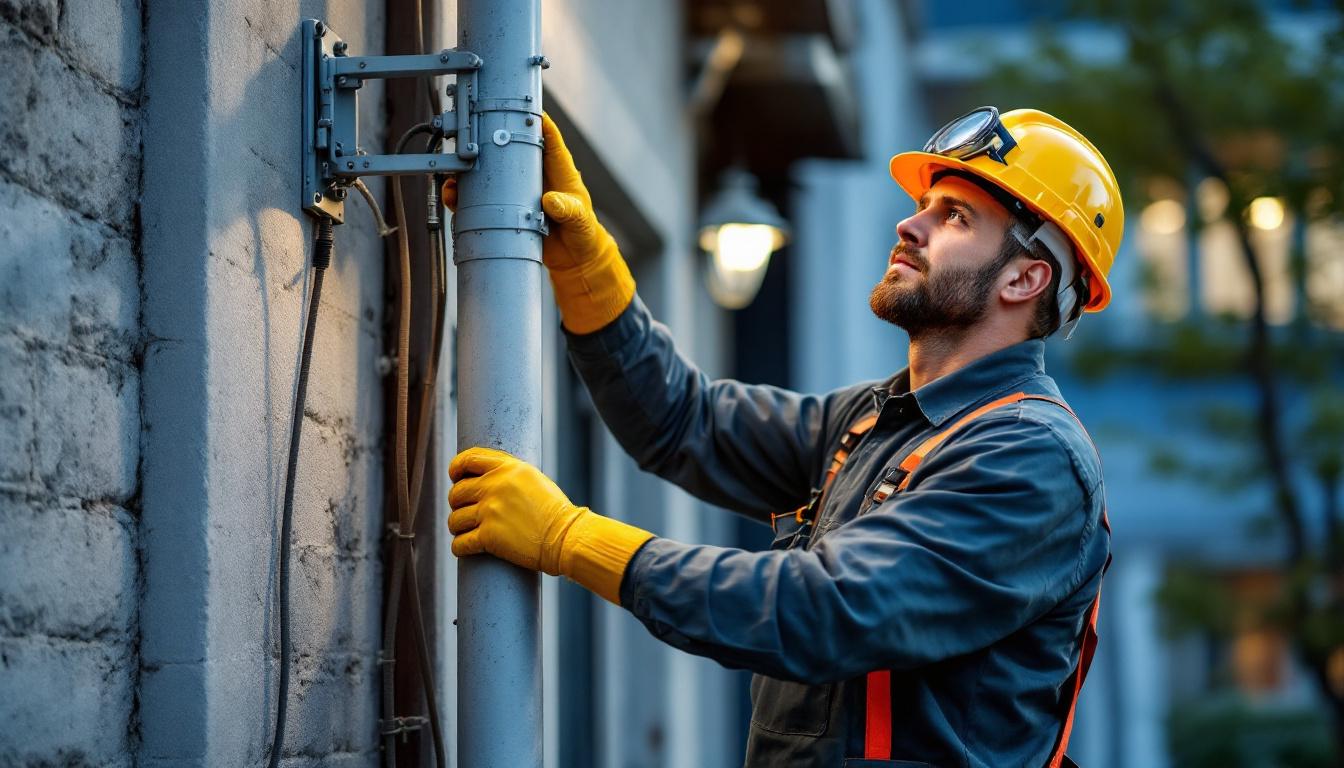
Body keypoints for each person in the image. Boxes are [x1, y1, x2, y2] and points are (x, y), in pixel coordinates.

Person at [444, 106, 1121, 767]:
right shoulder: (874, 420)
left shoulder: (1030, 458)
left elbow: (825, 608)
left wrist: (570, 539)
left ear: (1025, 278)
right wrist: (585, 269)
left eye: (955, 216)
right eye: (925, 204)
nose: (909, 224)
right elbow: (684, 421)